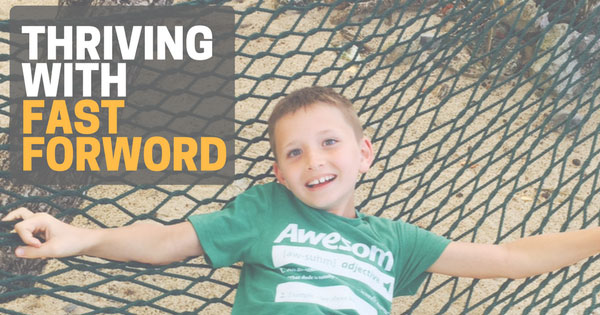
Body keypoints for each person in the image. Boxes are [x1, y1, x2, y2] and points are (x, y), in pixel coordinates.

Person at [2, 86, 600, 314]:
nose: (314, 161)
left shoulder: (395, 241)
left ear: (364, 153)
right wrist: (87, 238)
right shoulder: (266, 209)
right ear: (279, 173)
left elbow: (509, 258)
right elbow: (169, 241)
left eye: (329, 143)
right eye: (295, 153)